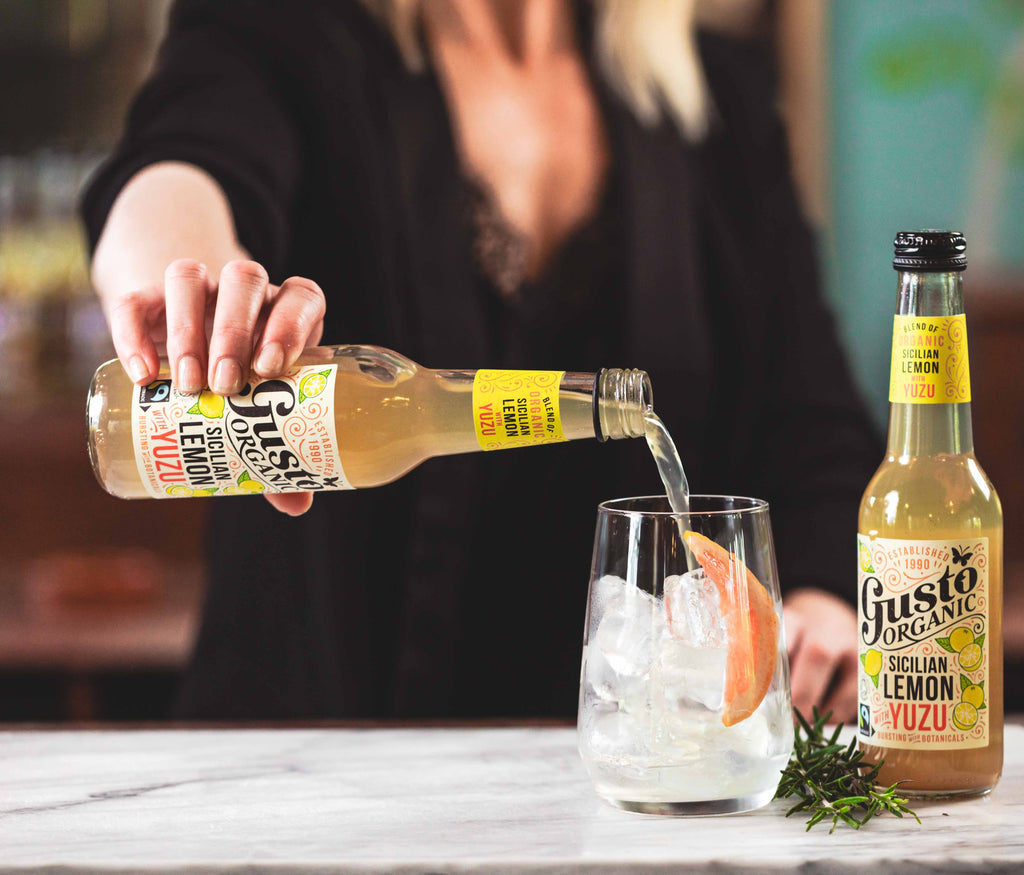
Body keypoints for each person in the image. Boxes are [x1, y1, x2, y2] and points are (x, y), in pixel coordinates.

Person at [82, 0, 881, 722]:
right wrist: (195, 294)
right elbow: (181, 165)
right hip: (309, 768)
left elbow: (817, 433)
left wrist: (818, 606)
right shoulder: (283, 33)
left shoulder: (719, 104)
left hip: (627, 782)